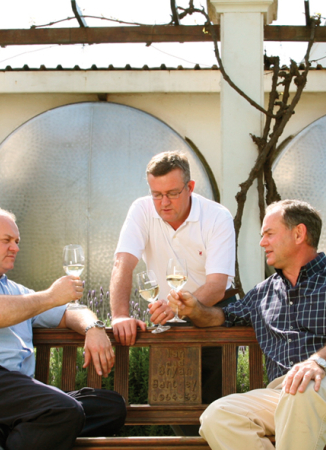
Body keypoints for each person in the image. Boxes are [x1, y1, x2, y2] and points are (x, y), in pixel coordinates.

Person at [155, 199, 326, 450]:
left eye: (269, 234)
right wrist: (194, 309)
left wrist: (317, 363)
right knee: (218, 416)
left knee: (302, 393)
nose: (262, 242)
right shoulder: (263, 293)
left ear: (299, 233)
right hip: (284, 395)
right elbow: (221, 318)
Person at [0, 206, 126, 450]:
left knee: (111, 408)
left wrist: (94, 326)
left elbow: (69, 312)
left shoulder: (14, 291)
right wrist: (49, 296)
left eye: (16, 241)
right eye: (6, 240)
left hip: (9, 391)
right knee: (64, 411)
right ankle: (0, 430)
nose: (15, 247)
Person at [108, 151, 236, 434]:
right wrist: (119, 316)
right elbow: (123, 263)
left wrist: (178, 307)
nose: (163, 203)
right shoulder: (141, 210)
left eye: (172, 193)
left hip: (214, 314)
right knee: (175, 409)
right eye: (156, 194)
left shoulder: (217, 217)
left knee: (217, 410)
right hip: (168, 318)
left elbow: (217, 284)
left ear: (190, 188)